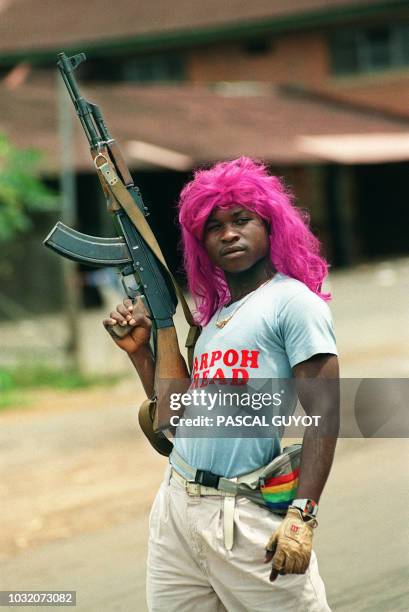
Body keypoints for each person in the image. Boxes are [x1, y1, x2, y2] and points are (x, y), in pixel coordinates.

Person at [103, 157, 339, 611]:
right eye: (213, 227)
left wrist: (302, 515)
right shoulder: (212, 321)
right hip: (176, 506)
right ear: (200, 244)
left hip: (245, 513)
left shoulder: (292, 303)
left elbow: (325, 413)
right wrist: (141, 353)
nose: (228, 233)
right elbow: (176, 416)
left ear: (270, 225)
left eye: (241, 219)